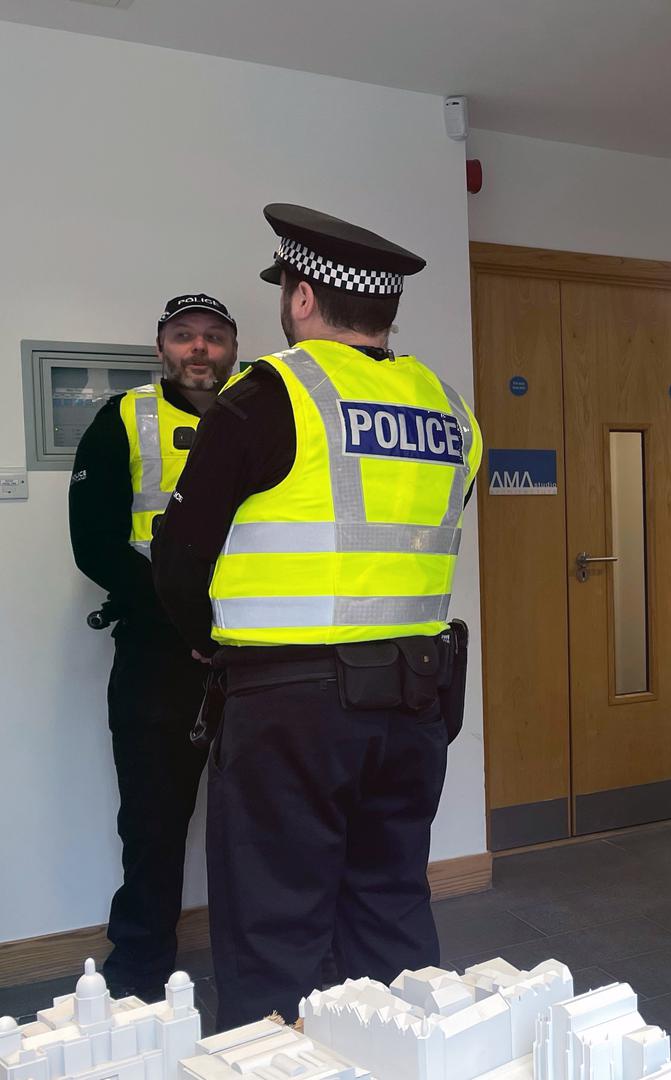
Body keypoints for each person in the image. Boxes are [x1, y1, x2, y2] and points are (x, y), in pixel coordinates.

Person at [152, 204, 482, 1028]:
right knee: (390, 905)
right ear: (383, 311)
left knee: (276, 924)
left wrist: (204, 647)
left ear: (301, 298)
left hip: (291, 707)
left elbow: (181, 554)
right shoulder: (450, 409)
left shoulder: (269, 394)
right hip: (414, 702)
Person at [68, 293, 241, 997]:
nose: (199, 349)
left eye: (213, 337)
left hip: (252, 657)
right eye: (184, 336)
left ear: (233, 348)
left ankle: (267, 965)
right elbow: (96, 545)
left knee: (263, 824)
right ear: (161, 348)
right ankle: (137, 977)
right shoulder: (124, 420)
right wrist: (182, 623)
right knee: (152, 823)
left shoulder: (269, 416)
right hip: (159, 660)